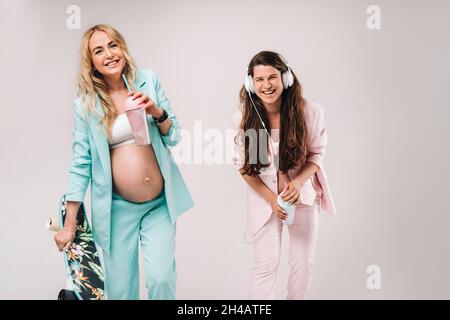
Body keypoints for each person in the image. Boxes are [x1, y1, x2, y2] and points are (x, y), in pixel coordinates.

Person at [53, 24, 193, 300]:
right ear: (91, 62)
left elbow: (174, 135)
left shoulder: (147, 80)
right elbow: (80, 164)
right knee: (120, 292)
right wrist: (69, 226)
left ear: (123, 48)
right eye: (99, 50)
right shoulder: (86, 105)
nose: (109, 54)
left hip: (159, 206)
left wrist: (156, 111)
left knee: (162, 279)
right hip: (117, 211)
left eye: (113, 45)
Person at [232, 51, 336, 299]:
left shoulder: (309, 111)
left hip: (302, 199)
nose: (266, 85)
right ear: (251, 84)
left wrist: (299, 183)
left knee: (302, 265)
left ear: (285, 78)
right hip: (265, 203)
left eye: (272, 77)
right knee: (265, 267)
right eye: (259, 80)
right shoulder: (244, 119)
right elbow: (244, 167)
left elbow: (316, 155)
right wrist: (271, 199)